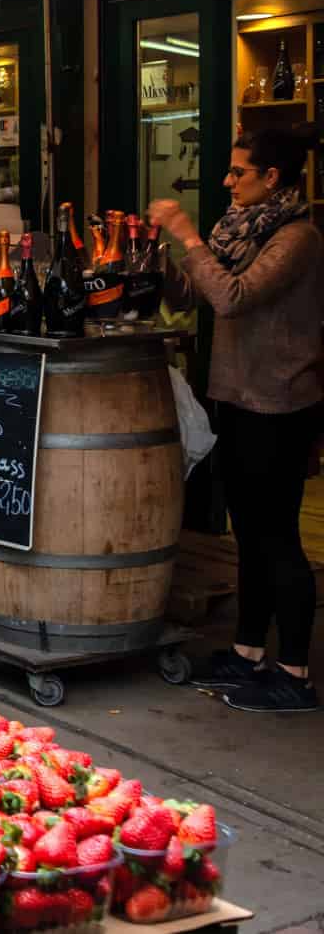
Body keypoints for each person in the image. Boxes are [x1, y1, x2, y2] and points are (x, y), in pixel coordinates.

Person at [153, 124, 323, 714]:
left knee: (277, 538)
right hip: (235, 397)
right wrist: (155, 247)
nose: (226, 181)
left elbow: (233, 297)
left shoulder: (297, 238)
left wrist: (186, 233)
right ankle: (248, 653)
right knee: (249, 535)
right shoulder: (238, 232)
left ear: (271, 178)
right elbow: (189, 296)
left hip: (278, 402)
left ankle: (295, 673)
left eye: (237, 172)